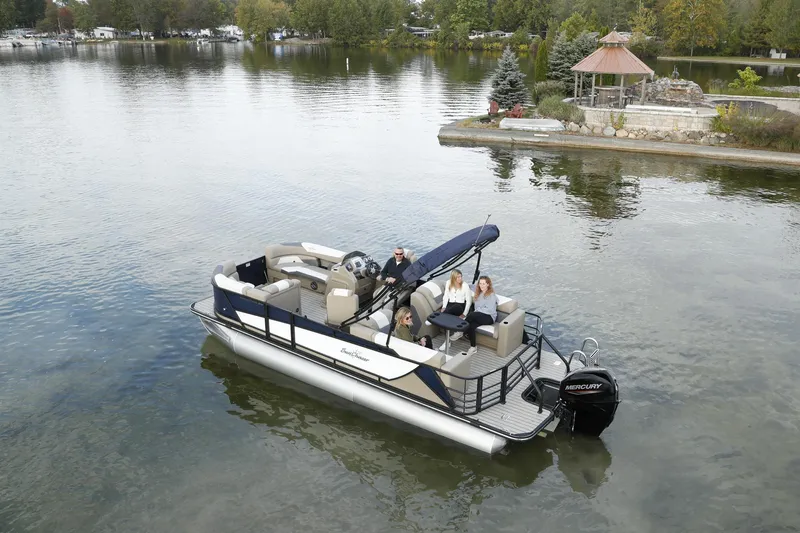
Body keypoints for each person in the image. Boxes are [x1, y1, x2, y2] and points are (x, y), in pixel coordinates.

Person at [437, 269, 473, 350]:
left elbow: (469, 301)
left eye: (461, 276)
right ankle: (447, 342)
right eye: (458, 277)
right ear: (453, 278)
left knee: (454, 308)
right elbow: (446, 296)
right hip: (450, 305)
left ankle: (439, 316)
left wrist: (464, 313)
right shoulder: (448, 283)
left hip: (460, 306)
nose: (460, 278)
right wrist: (444, 306)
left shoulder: (465, 285)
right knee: (445, 319)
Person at [463, 276, 498, 357]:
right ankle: (473, 347)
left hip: (489, 317)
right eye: (480, 283)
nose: (481, 285)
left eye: (483, 284)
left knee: (472, 315)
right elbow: (470, 286)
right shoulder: (479, 293)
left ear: (488, 284)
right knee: (471, 326)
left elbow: (489, 310)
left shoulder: (491, 295)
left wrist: (477, 312)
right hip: (480, 316)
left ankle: (461, 331)